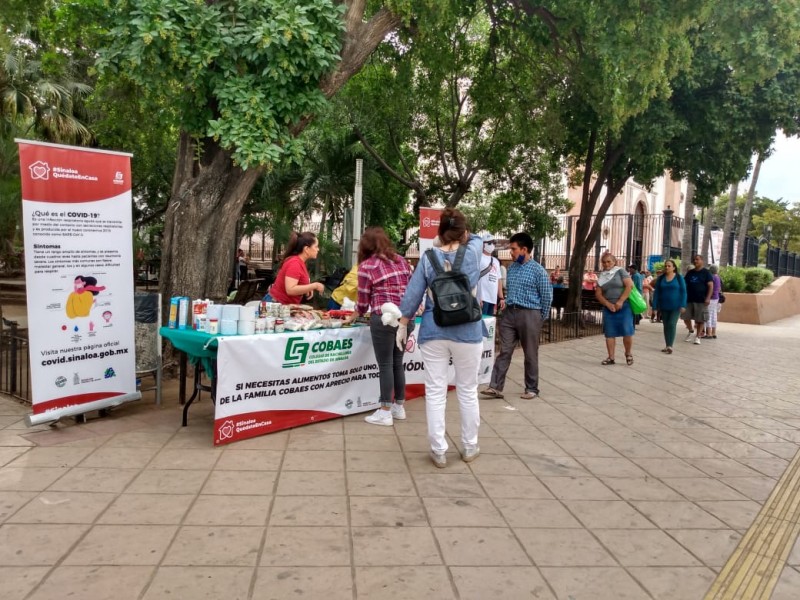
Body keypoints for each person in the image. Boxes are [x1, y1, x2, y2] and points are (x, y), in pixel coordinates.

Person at [397, 208, 484, 467]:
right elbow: (479, 238)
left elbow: (413, 293)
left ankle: (438, 450)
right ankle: (469, 447)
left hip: (434, 331)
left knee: (435, 391)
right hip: (468, 332)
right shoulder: (473, 252)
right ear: (464, 231)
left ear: (439, 232)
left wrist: (403, 323)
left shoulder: (427, 258)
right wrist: (464, 234)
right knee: (468, 390)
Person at [347, 227, 415, 427]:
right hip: (405, 319)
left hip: (383, 319)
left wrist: (353, 316)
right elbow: (412, 290)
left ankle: (385, 411)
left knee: (385, 364)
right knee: (397, 362)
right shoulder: (401, 261)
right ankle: (398, 407)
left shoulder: (367, 266)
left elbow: (362, 300)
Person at [480, 232, 552, 401]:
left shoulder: (538, 271)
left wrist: (539, 318)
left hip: (530, 314)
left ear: (524, 249)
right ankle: (495, 387)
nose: (510, 252)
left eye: (513, 249)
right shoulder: (511, 269)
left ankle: (532, 388)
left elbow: (547, 297)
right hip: (510, 314)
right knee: (504, 351)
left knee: (530, 353)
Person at [595, 252, 635, 365]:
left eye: (609, 261)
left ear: (614, 262)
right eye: (604, 262)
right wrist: (607, 304)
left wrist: (620, 301)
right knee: (610, 333)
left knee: (627, 331)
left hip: (624, 305)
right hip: (609, 307)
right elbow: (598, 294)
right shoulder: (602, 275)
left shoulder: (620, 271)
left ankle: (628, 353)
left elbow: (629, 286)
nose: (606, 264)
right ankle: (611, 357)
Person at [265, 232, 325, 304]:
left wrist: (307, 288)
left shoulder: (299, 262)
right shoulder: (294, 263)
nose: (318, 249)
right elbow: (290, 290)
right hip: (274, 306)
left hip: (282, 306)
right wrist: (314, 286)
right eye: (316, 246)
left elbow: (297, 284)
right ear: (306, 249)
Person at [651, 259, 686, 354]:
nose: (667, 267)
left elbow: (683, 292)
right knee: (666, 325)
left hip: (676, 306)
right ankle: (667, 345)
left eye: (669, 266)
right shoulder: (661, 279)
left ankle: (670, 345)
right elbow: (656, 293)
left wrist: (683, 304)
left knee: (671, 324)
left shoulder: (679, 278)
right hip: (664, 305)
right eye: (665, 266)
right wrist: (654, 307)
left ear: (674, 267)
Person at [682, 254, 714, 345]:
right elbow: (684, 284)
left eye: (697, 259)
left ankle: (698, 336)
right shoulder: (690, 272)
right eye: (694, 259)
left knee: (700, 319)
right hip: (689, 299)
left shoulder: (706, 273)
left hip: (701, 300)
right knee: (685, 317)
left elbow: (711, 286)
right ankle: (691, 330)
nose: (695, 261)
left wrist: (708, 298)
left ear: (702, 261)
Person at [477, 235, 503, 316]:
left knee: (489, 323)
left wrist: (501, 298)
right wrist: (477, 297)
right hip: (482, 298)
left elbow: (499, 280)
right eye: (489, 243)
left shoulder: (495, 261)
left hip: (492, 298)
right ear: (483, 244)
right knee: (481, 323)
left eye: (494, 243)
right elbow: (474, 278)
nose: (492, 245)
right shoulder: (479, 258)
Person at [704, 264, 722, 339]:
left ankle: (709, 333)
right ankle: (714, 332)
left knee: (708, 315)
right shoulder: (718, 277)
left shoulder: (711, 277)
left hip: (711, 298)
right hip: (716, 298)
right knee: (714, 315)